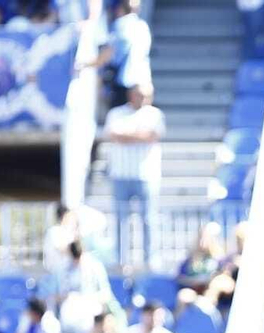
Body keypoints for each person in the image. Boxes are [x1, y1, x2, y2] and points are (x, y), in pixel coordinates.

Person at [104, 83, 164, 268]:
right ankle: (121, 260)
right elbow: (113, 134)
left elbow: (152, 136)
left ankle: (149, 260)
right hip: (121, 173)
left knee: (148, 219)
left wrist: (127, 136)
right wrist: (138, 136)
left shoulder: (155, 115)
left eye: (147, 96)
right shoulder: (116, 113)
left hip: (146, 174)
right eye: (140, 95)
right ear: (131, 95)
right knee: (121, 219)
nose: (144, 100)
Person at [100, 0, 152, 109]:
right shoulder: (143, 26)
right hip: (141, 78)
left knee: (119, 115)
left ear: (120, 9)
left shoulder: (119, 25)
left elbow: (113, 55)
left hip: (123, 79)